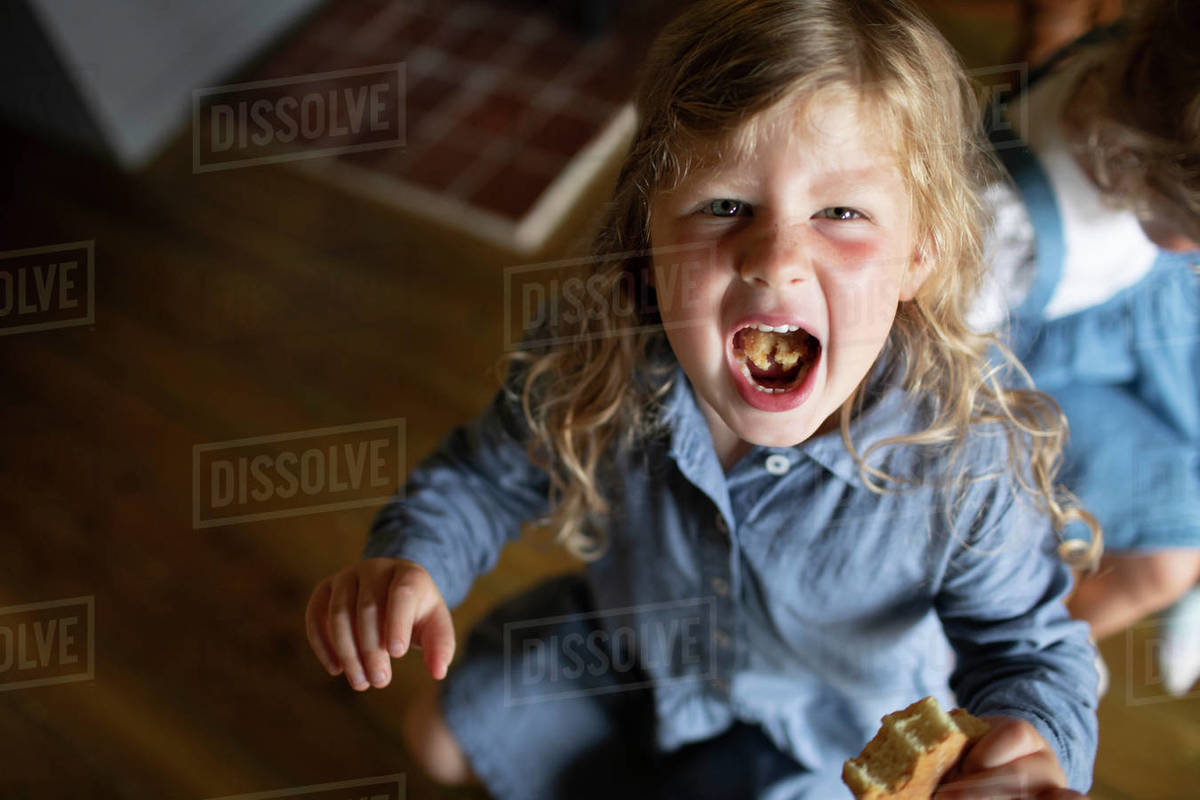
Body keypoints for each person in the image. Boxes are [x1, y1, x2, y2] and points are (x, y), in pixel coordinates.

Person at [306, 1, 1101, 797]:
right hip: (633, 647)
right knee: (444, 736)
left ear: (918, 255)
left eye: (841, 213)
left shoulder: (960, 457)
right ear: (645, 247)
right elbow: (486, 475)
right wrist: (412, 559)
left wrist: (1031, 741)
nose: (775, 259)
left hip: (822, 732)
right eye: (725, 205)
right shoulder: (598, 349)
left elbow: (1032, 650)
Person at [974, 0, 1200, 694]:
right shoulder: (1003, 228)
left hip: (1141, 314)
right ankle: (1011, 663)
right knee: (1166, 559)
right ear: (1139, 163)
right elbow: (946, 377)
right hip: (1034, 371)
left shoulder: (1143, 58)